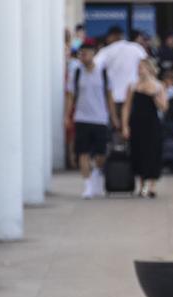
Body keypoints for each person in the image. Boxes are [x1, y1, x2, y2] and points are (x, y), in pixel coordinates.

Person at [66, 40, 119, 199]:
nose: (83, 56)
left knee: (101, 154)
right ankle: (88, 185)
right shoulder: (76, 73)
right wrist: (67, 116)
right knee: (82, 152)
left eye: (87, 53)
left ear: (93, 54)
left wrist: (114, 116)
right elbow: (70, 96)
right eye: (81, 54)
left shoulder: (103, 73)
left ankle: (96, 174)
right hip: (81, 117)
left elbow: (109, 96)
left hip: (100, 118)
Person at [122, 59, 168, 198]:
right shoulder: (133, 86)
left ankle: (152, 185)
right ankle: (142, 184)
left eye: (141, 68)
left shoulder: (159, 86)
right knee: (138, 152)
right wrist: (125, 126)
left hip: (152, 124)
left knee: (152, 153)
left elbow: (164, 107)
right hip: (136, 123)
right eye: (138, 68)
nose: (139, 70)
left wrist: (155, 97)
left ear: (149, 69)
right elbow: (127, 107)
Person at [96, 25, 148, 111]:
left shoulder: (106, 51)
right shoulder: (137, 48)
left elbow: (95, 68)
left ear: (112, 36)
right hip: (135, 96)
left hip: (114, 98)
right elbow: (147, 67)